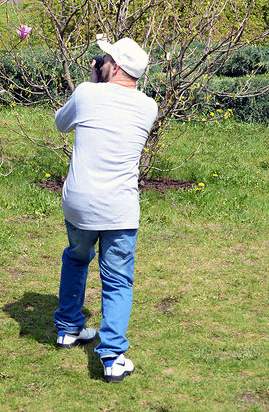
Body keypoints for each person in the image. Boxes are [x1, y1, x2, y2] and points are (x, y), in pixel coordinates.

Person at [53, 37, 158, 382]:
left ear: (114, 66)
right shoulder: (148, 107)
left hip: (80, 203)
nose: (99, 61)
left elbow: (61, 123)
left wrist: (94, 83)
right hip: (119, 208)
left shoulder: (86, 92)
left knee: (77, 256)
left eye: (105, 57)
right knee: (117, 280)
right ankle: (112, 357)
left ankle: (68, 327)